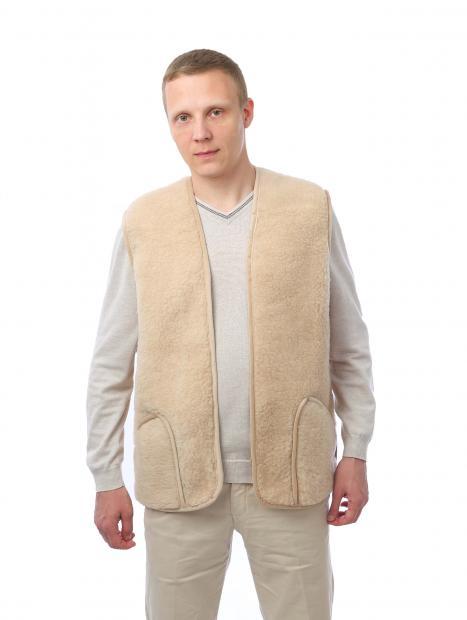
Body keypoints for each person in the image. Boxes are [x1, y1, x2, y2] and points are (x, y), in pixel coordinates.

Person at [86, 48, 376, 620]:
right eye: (183, 117)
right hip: (178, 475)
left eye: (215, 112)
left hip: (293, 471)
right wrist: (105, 474)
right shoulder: (145, 221)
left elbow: (348, 345)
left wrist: (357, 450)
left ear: (246, 112)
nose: (200, 132)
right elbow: (111, 360)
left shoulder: (308, 208)